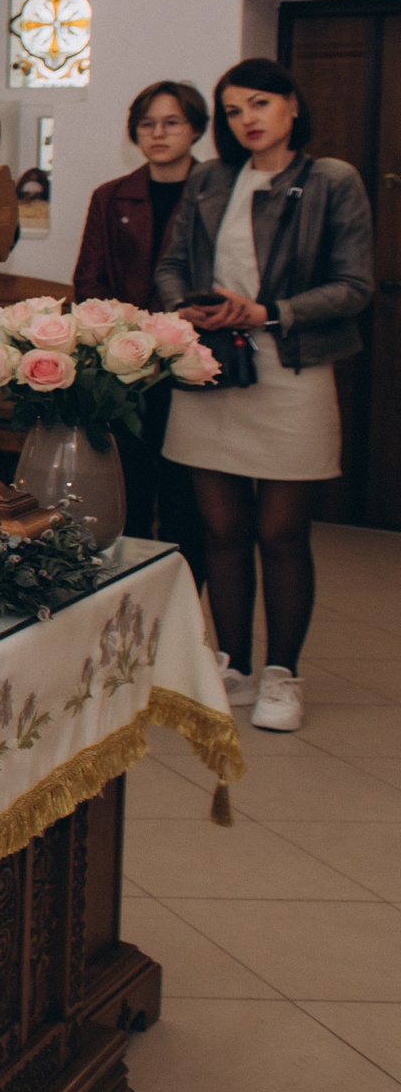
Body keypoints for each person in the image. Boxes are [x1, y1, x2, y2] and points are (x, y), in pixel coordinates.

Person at [158, 59, 373, 734]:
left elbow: (355, 285)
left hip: (290, 369)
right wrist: (186, 310)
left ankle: (283, 672)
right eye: (231, 110)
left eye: (259, 104)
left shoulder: (332, 180)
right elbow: (170, 265)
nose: (246, 119)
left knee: (280, 530)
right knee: (221, 529)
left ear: (292, 106)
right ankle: (235, 664)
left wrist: (268, 310)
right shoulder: (210, 179)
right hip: (213, 366)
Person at [73, 81, 211, 582]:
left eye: (172, 122)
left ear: (196, 128)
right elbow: (88, 281)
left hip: (192, 365)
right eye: (148, 124)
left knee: (186, 499)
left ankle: (181, 605)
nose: (159, 134)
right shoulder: (111, 197)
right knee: (128, 489)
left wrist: (171, 335)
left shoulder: (218, 194)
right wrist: (126, 334)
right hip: (125, 368)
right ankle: (124, 597)